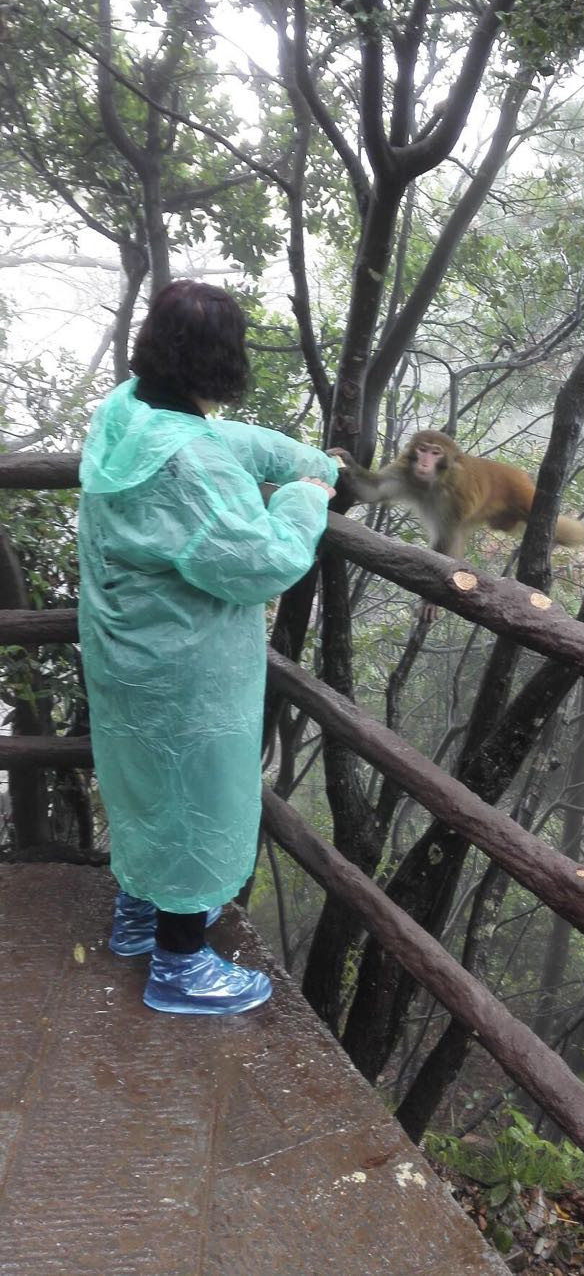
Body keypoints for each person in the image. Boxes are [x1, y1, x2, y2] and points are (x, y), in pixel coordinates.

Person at [77, 279, 339, 1015]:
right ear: (228, 357)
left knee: (142, 781)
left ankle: (138, 916)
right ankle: (180, 965)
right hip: (185, 664)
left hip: (123, 644)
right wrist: (307, 492)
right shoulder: (191, 467)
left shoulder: (126, 412)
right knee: (196, 796)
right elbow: (262, 559)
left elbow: (219, 436)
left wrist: (298, 455)